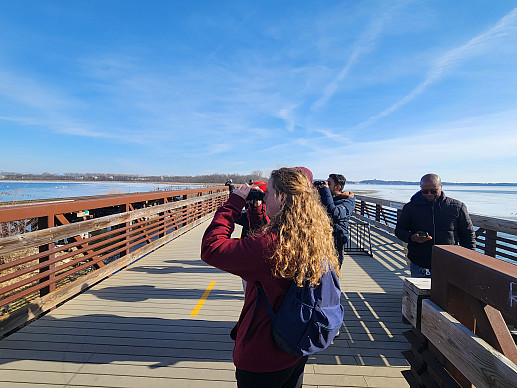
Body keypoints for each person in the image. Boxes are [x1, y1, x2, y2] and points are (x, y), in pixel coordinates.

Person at [201, 167, 340, 388]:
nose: (264, 197)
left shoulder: (270, 246)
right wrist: (256, 213)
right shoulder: (310, 234)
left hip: (261, 357)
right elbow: (265, 257)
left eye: (268, 193)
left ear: (282, 196)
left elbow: (211, 248)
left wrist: (234, 203)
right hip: (294, 347)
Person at [395, 173, 476, 278]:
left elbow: (468, 235)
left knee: (447, 295)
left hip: (449, 265)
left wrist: (471, 261)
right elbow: (399, 231)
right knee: (421, 294)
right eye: (425, 191)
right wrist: (412, 238)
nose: (429, 194)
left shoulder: (457, 207)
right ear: (420, 188)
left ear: (441, 187)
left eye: (434, 191)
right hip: (420, 265)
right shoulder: (410, 207)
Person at [315, 174, 356, 268]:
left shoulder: (348, 201)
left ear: (338, 187)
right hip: (324, 238)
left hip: (337, 239)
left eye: (329, 183)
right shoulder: (330, 198)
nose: (327, 185)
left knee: (334, 269)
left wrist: (325, 191)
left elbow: (334, 213)